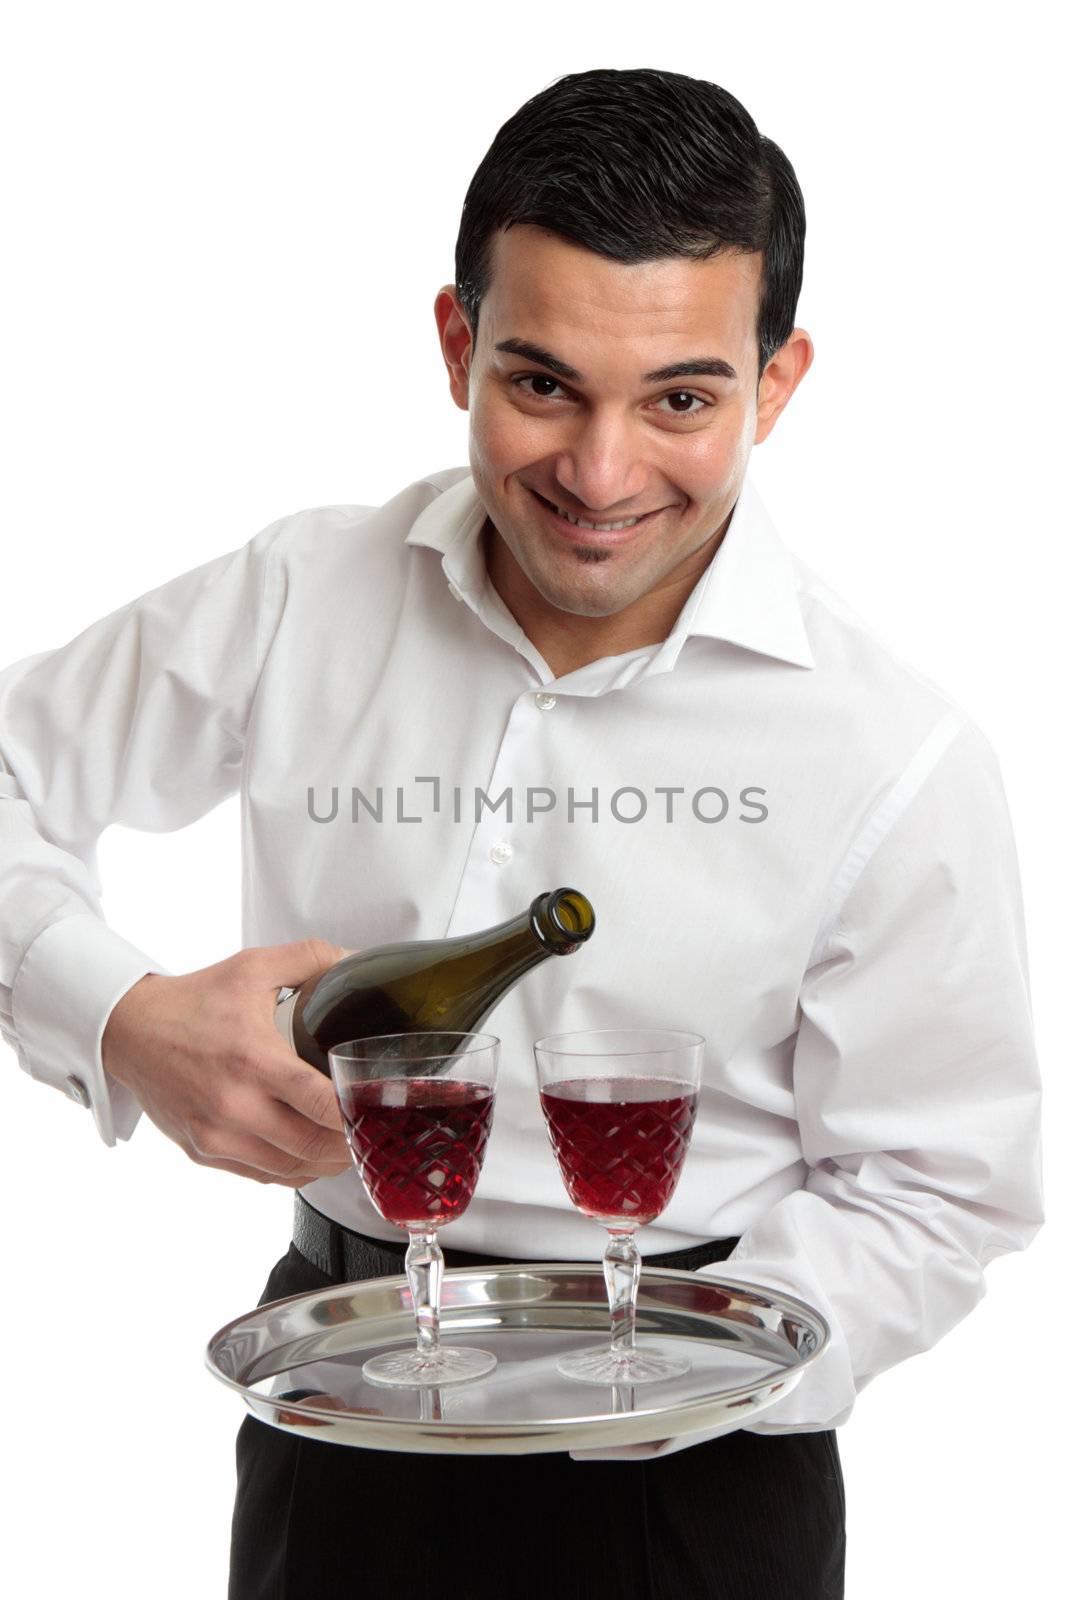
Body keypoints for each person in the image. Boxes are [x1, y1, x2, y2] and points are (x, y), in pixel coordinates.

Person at [0, 66, 1042, 1600]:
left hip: (694, 1493)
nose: (602, 477)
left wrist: (642, 1377)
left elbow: (949, 1187)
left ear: (776, 383)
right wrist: (127, 1018)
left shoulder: (897, 750)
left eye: (680, 398)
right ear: (456, 345)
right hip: (334, 1419)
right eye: (543, 383)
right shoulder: (298, 596)